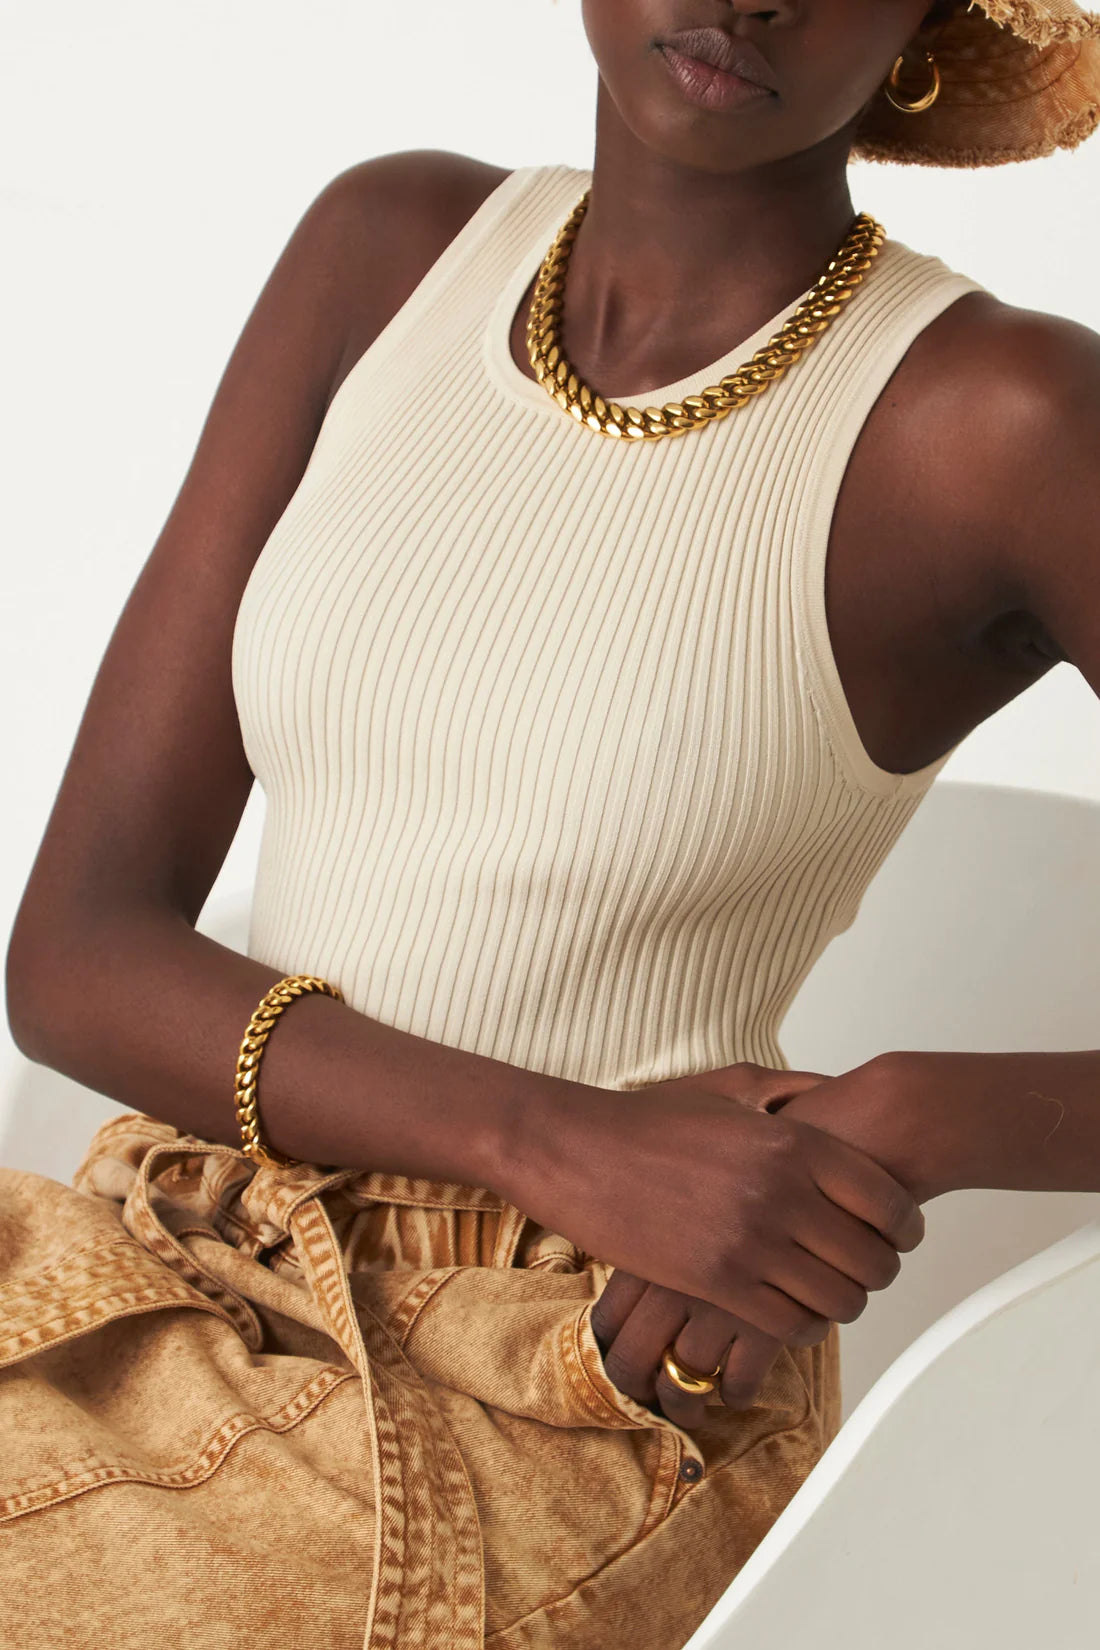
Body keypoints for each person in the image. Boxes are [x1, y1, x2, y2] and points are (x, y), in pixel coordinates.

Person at [3, 2, 1100, 1645]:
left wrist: (911, 1116)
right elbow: (77, 955)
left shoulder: (1004, 420)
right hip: (174, 1244)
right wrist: (554, 1136)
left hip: (579, 1369)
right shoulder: (388, 250)